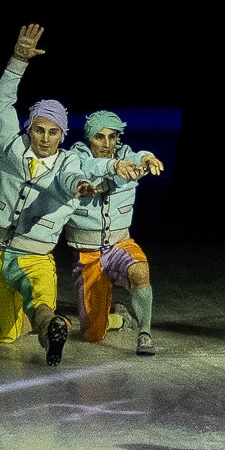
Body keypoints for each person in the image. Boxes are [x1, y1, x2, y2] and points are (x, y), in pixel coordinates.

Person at [0, 23, 137, 364]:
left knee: (41, 306)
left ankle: (53, 326)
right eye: (39, 130)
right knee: (8, 333)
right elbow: (1, 104)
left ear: (62, 135)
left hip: (35, 255)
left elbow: (74, 176)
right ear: (29, 129)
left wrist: (84, 183)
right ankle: (69, 321)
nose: (45, 138)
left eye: (53, 132)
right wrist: (17, 61)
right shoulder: (11, 147)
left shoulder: (68, 161)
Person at [64, 110, 164, 357]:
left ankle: (145, 333)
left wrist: (147, 158)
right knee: (93, 333)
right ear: (89, 138)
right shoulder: (75, 157)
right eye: (100, 137)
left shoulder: (125, 156)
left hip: (119, 244)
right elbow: (89, 166)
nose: (107, 144)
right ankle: (119, 317)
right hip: (87, 253)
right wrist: (114, 166)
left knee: (140, 270)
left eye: (112, 137)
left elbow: (137, 156)